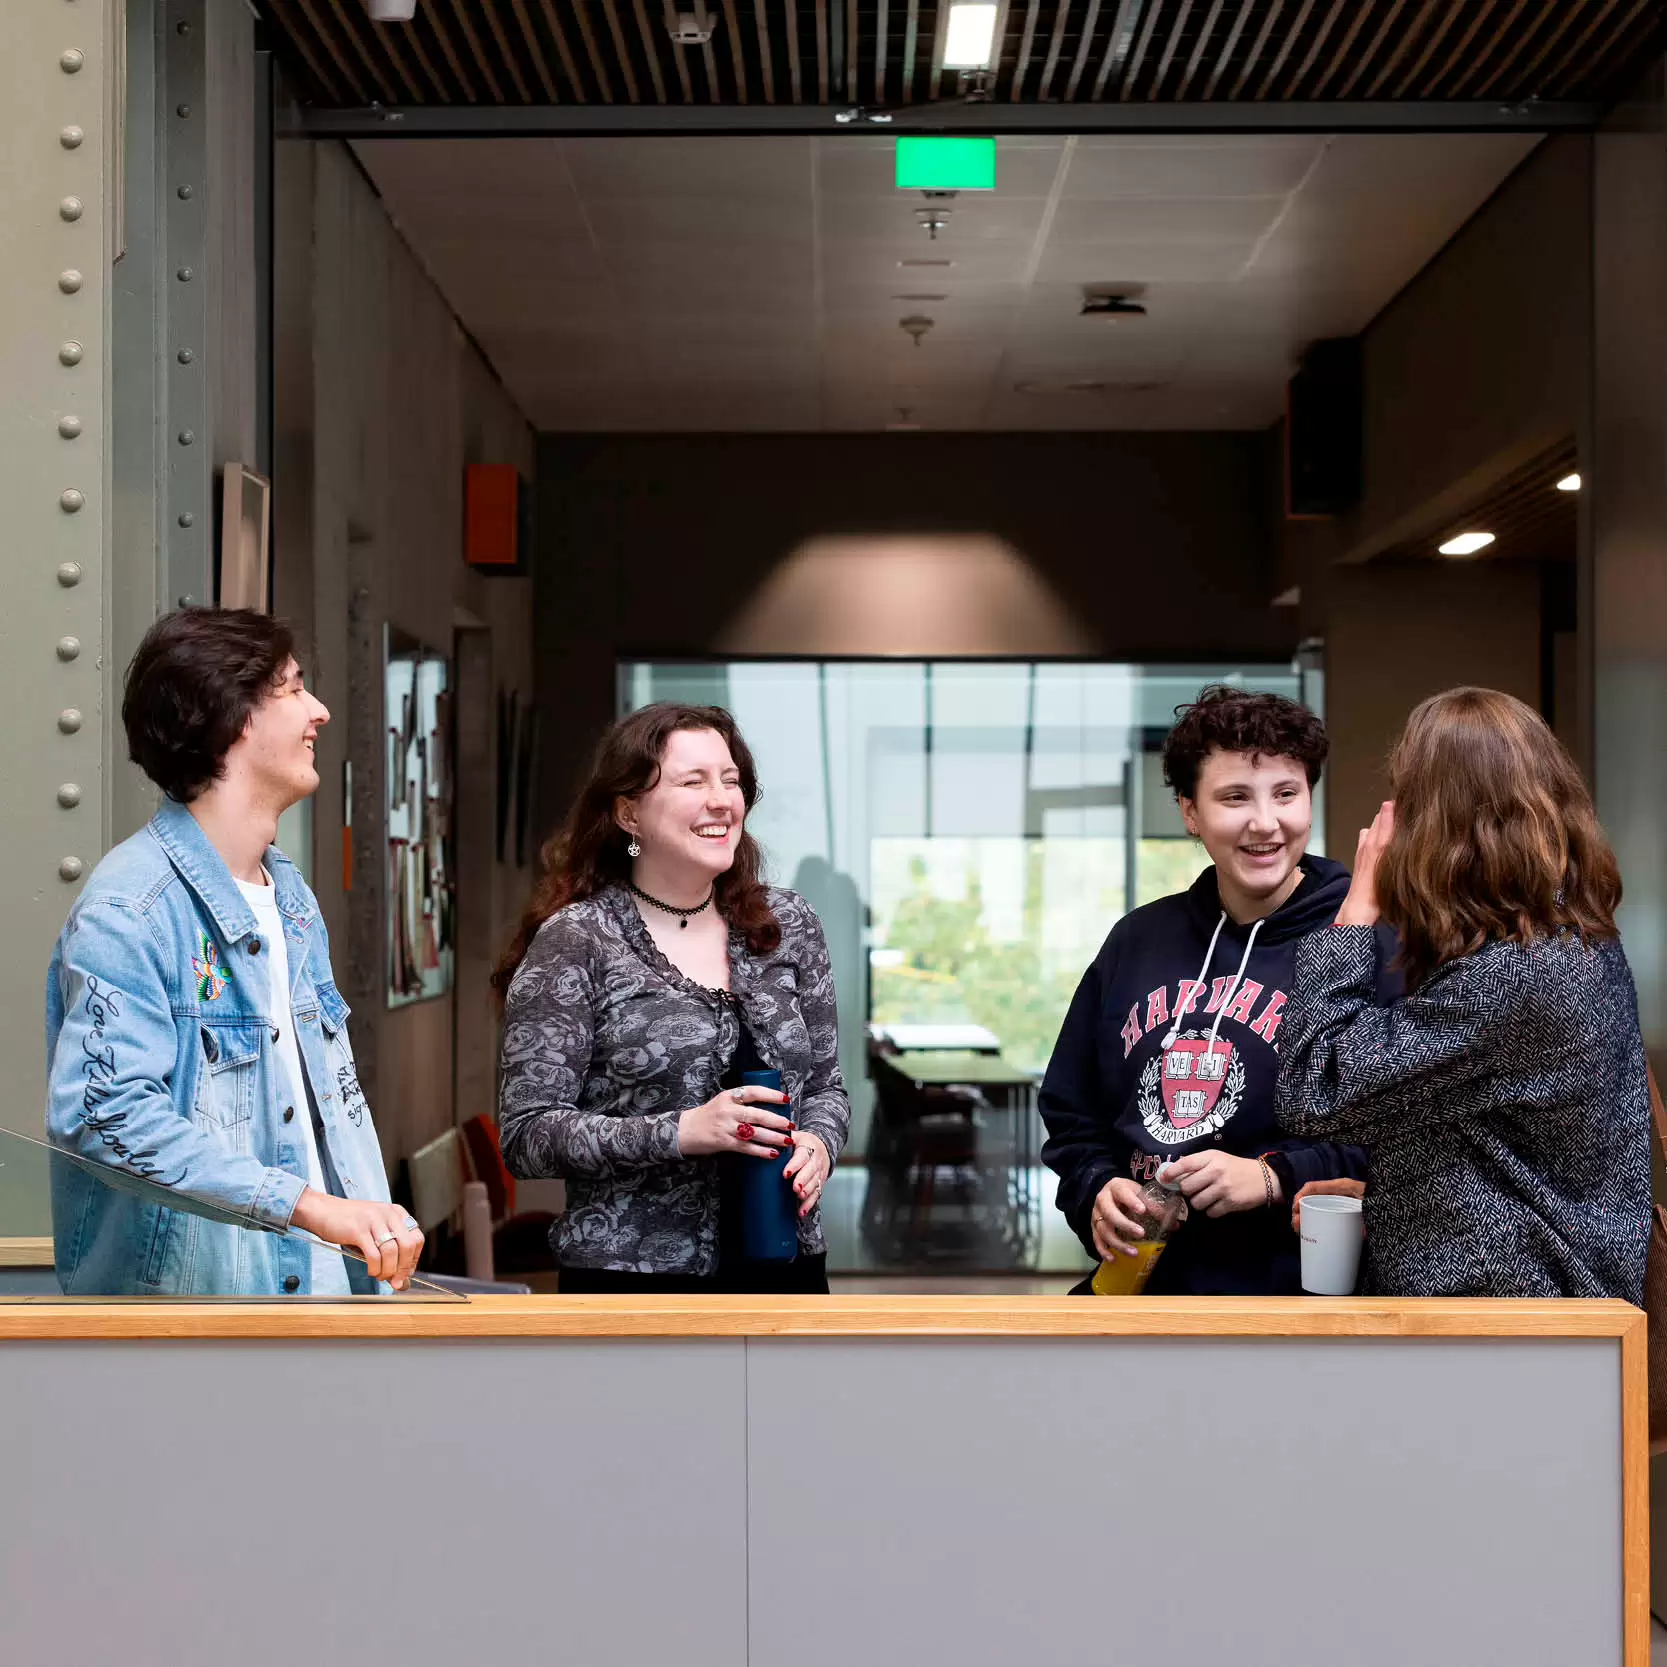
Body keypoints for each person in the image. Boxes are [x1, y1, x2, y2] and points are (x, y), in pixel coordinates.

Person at [45, 608, 422, 1295]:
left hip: (326, 1310)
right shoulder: (130, 909)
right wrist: (306, 1205)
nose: (320, 709)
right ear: (233, 717)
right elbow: (105, 1113)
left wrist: (376, 1233)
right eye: (293, 686)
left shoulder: (292, 897)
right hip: (203, 1337)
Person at [1276, 687, 1649, 1302]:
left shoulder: (1518, 975)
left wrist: (1354, 913)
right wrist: (1393, 1196)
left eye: (1410, 802)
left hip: (1510, 1334)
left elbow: (1315, 1089)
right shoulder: (1569, 943)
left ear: (1443, 826)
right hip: (1541, 1321)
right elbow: (1512, 1149)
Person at [493, 703, 850, 1293]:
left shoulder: (788, 924)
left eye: (731, 781)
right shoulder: (579, 940)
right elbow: (528, 1136)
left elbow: (827, 1090)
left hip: (787, 1265)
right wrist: (683, 1131)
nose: (722, 800)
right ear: (629, 812)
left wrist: (818, 1144)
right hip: (631, 1286)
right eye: (693, 781)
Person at [1041, 686, 1378, 1294]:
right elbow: (1072, 1112)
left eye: (1286, 794)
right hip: (1143, 1284)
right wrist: (1096, 1186)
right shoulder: (1137, 940)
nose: (1265, 823)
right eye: (1234, 798)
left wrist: (1273, 1177)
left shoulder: (1367, 939)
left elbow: (1408, 1134)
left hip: (1296, 1299)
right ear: (1190, 813)